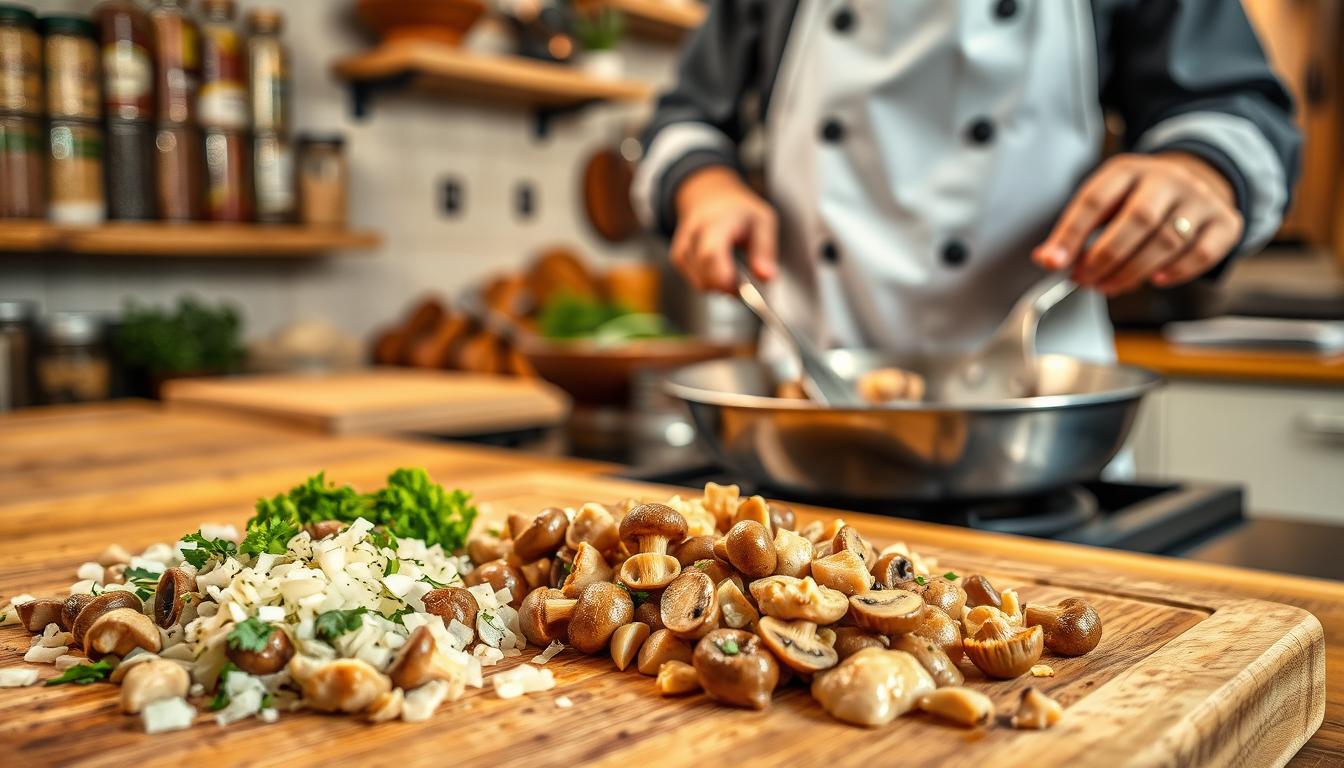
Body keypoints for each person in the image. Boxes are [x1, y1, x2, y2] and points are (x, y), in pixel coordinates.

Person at [633, 0, 1299, 365]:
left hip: (1035, 405)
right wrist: (704, 186)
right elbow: (682, 120)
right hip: (806, 401)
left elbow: (1234, 106)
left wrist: (1198, 172)